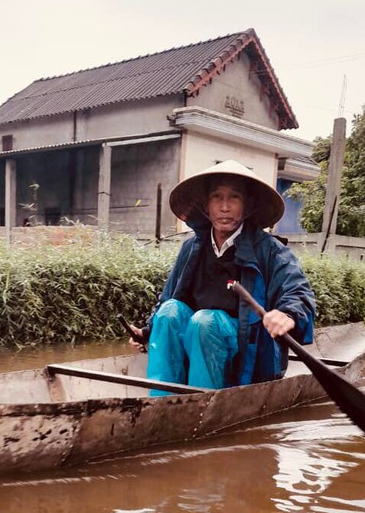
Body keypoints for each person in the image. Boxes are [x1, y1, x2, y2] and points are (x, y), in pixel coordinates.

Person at [127, 160, 315, 390]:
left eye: (234, 197)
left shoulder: (269, 250)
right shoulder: (192, 248)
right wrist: (147, 331)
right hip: (196, 344)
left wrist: (288, 314)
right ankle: (162, 402)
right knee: (167, 313)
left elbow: (298, 291)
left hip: (246, 353)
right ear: (206, 206)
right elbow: (168, 298)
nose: (224, 207)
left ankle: (201, 406)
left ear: (247, 206)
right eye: (217, 197)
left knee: (205, 322)